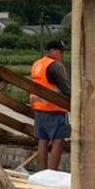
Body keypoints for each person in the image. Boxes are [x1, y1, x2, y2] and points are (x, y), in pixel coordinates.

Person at [29, 39, 72, 171]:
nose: (62, 55)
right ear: (53, 51)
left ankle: (42, 172)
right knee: (58, 140)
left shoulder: (37, 64)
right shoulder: (55, 66)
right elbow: (66, 89)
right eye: (61, 52)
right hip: (54, 108)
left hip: (39, 109)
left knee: (43, 140)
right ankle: (52, 172)